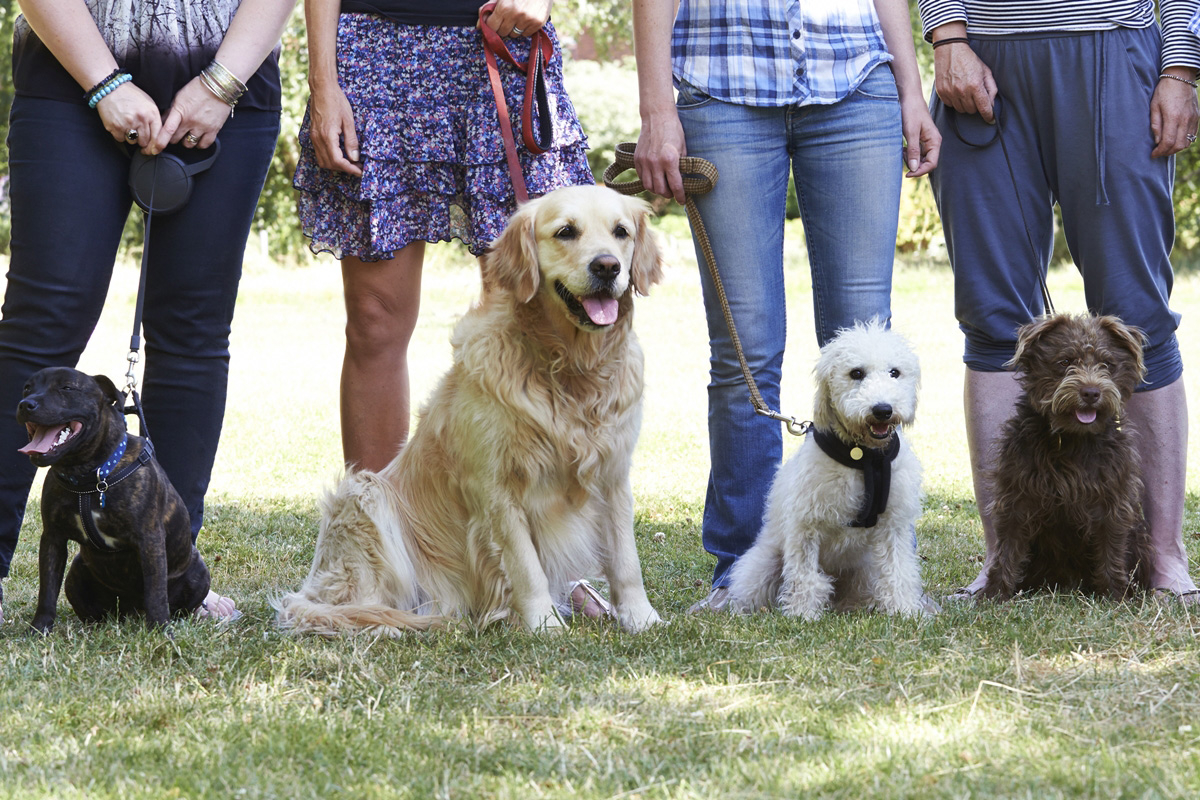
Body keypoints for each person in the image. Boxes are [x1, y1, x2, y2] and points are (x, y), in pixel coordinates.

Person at [292, 0, 607, 615]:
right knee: (376, 321)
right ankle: (388, 551)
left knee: (529, 319)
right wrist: (323, 82)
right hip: (373, 50)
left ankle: (558, 565)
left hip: (497, 44)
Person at [632, 0, 941, 611]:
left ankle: (883, 573)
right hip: (722, 82)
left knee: (867, 348)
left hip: (856, 81)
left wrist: (911, 90)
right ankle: (743, 570)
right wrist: (657, 108)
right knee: (745, 353)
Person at [0, 0, 295, 623]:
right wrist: (104, 82)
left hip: (230, 80)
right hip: (69, 63)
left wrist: (221, 83)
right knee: (41, 322)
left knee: (192, 328)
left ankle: (177, 575)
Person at [916, 0, 1200, 601]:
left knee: (1138, 312)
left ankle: (1163, 556)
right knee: (993, 317)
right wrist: (946, 35)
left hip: (1111, 47)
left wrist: (1180, 68)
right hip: (980, 52)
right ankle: (1003, 560)